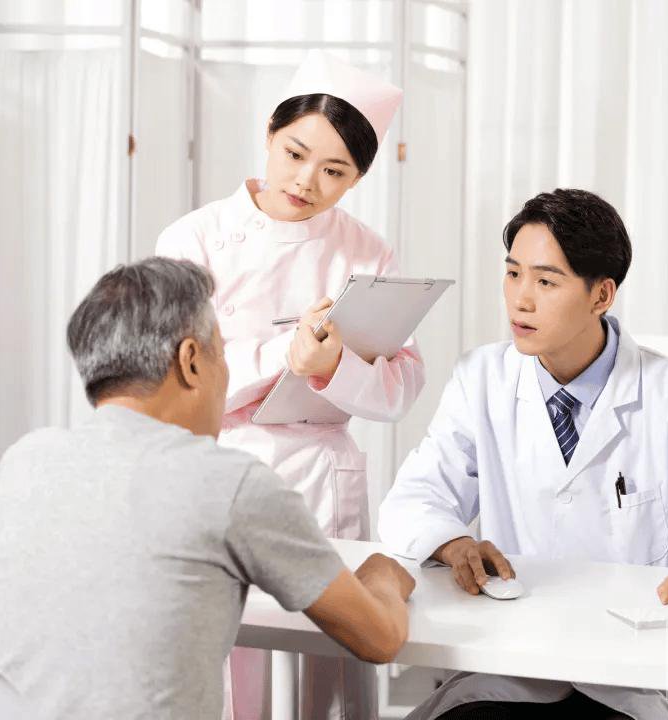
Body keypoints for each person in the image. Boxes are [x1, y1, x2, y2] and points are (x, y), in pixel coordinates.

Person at [378, 189, 668, 719]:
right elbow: (415, 496)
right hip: (510, 665)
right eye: (512, 273)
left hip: (632, 676)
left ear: (601, 295)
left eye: (546, 281)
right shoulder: (481, 379)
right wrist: (450, 542)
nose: (520, 299)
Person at [0, 258, 415, 720]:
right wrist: (383, 573)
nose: (225, 376)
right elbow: (379, 638)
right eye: (220, 354)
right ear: (190, 361)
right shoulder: (228, 483)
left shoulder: (24, 462)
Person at [156, 50, 422, 719]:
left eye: (335, 171)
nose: (307, 181)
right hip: (225, 474)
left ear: (359, 177)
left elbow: (400, 387)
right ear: (269, 133)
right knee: (232, 675)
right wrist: (288, 354)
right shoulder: (195, 239)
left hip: (323, 483)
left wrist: (332, 369)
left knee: (323, 683)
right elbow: (173, 380)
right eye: (295, 154)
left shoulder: (367, 251)